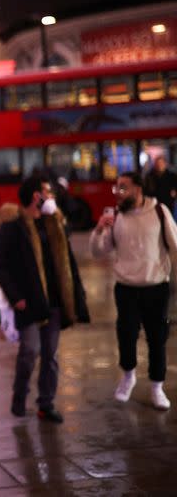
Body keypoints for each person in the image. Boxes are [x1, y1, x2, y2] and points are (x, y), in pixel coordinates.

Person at [0, 176, 90, 423]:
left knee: (51, 355)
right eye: (48, 192)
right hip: (29, 302)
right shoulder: (13, 227)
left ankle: (46, 403)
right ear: (36, 197)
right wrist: (16, 298)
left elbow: (68, 262)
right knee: (30, 351)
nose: (52, 197)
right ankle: (19, 396)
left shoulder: (53, 223)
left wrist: (76, 293)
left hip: (54, 301)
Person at [89, 171, 176, 410]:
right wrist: (98, 230)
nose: (118, 193)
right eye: (117, 188)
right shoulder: (116, 217)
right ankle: (128, 377)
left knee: (157, 339)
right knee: (126, 336)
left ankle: (157, 387)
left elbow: (175, 245)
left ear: (138, 189)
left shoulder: (159, 212)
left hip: (156, 287)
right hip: (125, 288)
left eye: (123, 188)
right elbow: (98, 252)